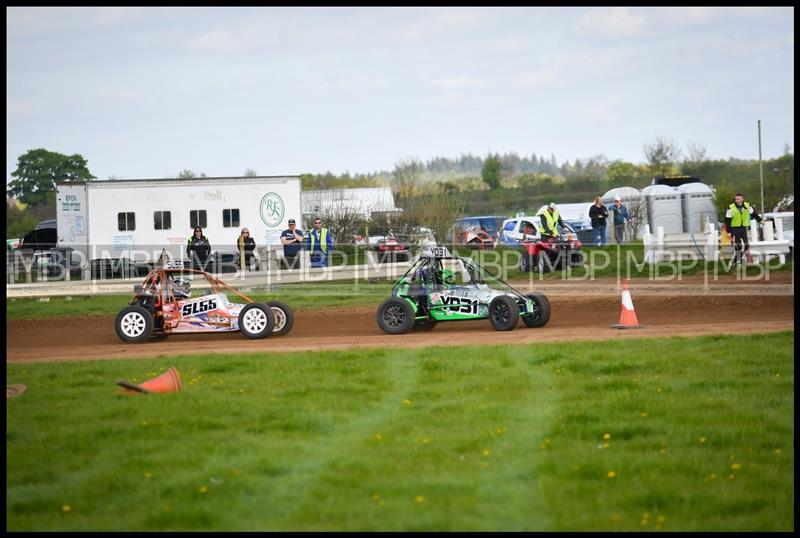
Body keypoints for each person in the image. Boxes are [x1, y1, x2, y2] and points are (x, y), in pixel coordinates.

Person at [725, 193, 764, 265]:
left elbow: (754, 214)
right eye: (736, 199)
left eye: (738, 199)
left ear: (742, 199)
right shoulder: (730, 207)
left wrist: (760, 220)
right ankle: (736, 261)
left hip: (743, 228)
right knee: (738, 246)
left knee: (746, 246)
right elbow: (727, 220)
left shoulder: (747, 205)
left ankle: (735, 260)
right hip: (734, 228)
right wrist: (728, 231)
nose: (736, 200)